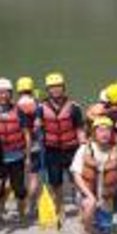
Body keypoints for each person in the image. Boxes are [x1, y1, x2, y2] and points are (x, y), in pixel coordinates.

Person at [70, 116, 117, 234]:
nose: (104, 133)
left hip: (107, 199)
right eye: (100, 130)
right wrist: (89, 195)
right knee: (90, 204)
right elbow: (76, 174)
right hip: (87, 193)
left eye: (108, 130)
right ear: (94, 133)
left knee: (104, 230)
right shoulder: (84, 149)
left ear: (112, 133)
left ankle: (95, 223)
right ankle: (87, 231)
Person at [40, 72, 86, 224]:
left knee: (77, 181)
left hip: (71, 149)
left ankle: (81, 208)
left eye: (58, 87)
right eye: (52, 88)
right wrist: (35, 126)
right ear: (48, 90)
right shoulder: (40, 108)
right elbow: (34, 128)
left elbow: (80, 129)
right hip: (52, 150)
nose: (56, 90)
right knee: (56, 183)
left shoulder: (74, 107)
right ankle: (60, 209)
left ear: (63, 88)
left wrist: (83, 148)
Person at [0, 78, 31, 223]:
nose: (3, 96)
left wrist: (27, 156)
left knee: (20, 190)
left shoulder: (19, 112)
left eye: (6, 92)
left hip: (17, 157)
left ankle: (21, 215)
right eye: (0, 93)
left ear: (11, 94)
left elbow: (26, 133)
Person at [16, 76, 41, 220]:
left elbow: (25, 133)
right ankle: (31, 206)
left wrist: (26, 154)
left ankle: (21, 206)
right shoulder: (36, 104)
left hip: (19, 146)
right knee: (34, 177)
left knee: (18, 179)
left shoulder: (17, 105)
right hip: (36, 146)